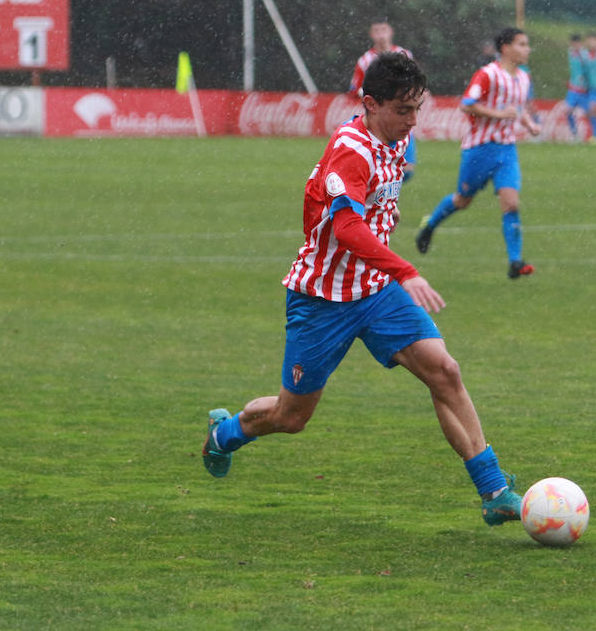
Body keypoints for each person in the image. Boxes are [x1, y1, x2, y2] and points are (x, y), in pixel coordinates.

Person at [201, 52, 522, 528]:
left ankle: (494, 491)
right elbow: (347, 226)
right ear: (370, 104)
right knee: (291, 417)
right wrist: (406, 270)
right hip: (323, 298)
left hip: (375, 290)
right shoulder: (351, 149)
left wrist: (388, 243)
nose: (413, 121)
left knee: (444, 372)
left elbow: (370, 205)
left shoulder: (395, 137)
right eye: (403, 110)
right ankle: (225, 432)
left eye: (417, 109)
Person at [413, 27, 541, 279]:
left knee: (511, 203)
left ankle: (515, 262)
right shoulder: (488, 74)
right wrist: (498, 114)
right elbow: (467, 105)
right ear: (506, 48)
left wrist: (529, 124)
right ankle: (429, 226)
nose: (527, 49)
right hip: (480, 149)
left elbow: (517, 107)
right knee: (462, 200)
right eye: (522, 44)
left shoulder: (524, 77)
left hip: (507, 150)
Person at [349, 20, 416, 181]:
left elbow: (414, 81)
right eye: (377, 30)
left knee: (406, 171)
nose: (381, 34)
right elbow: (355, 89)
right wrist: (369, 94)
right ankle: (377, 192)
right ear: (371, 34)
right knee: (379, 169)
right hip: (378, 122)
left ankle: (382, 192)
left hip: (402, 118)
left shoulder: (404, 55)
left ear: (391, 32)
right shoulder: (365, 60)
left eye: (383, 30)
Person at [564, 33, 596, 143]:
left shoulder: (585, 55)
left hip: (584, 91)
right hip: (573, 90)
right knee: (567, 111)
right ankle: (575, 135)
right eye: (573, 44)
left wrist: (590, 85)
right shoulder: (571, 53)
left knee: (590, 113)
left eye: (577, 43)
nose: (575, 46)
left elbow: (591, 71)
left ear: (581, 43)